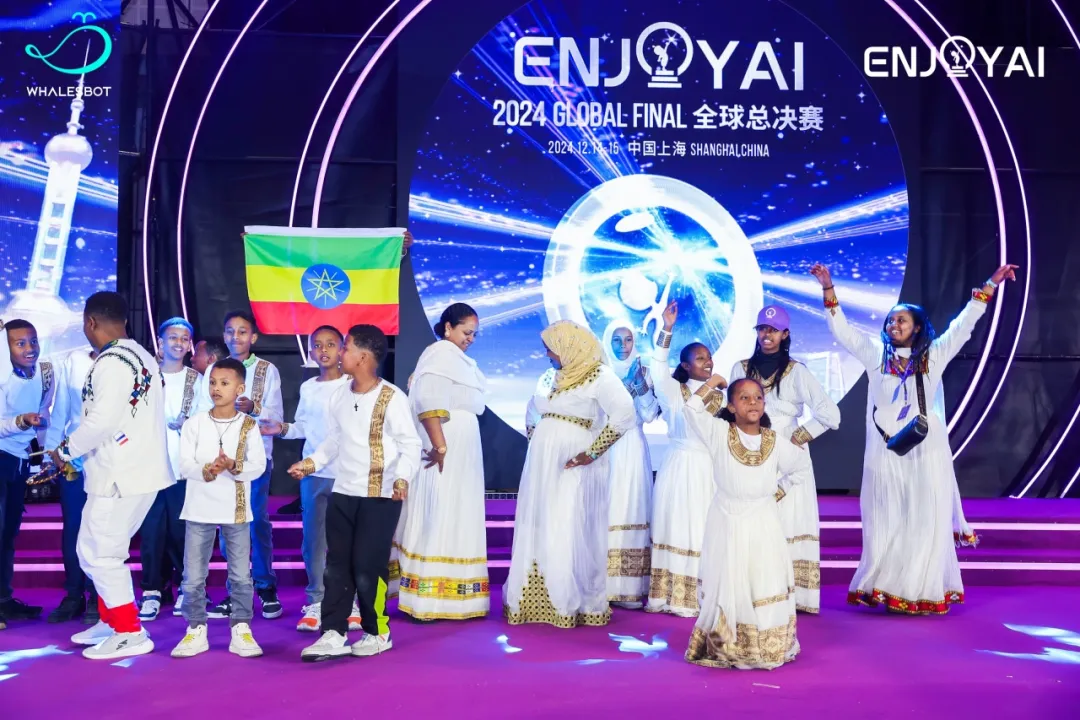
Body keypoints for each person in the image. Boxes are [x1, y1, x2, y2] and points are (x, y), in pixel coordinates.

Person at [811, 262, 1018, 615]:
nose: (894, 325)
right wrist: (828, 288)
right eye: (890, 320)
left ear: (917, 327)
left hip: (926, 450)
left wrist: (989, 285)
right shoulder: (875, 356)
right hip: (886, 450)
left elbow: (964, 325)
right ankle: (888, 586)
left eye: (902, 320)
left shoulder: (934, 355)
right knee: (887, 519)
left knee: (925, 518)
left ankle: (920, 590)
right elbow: (842, 330)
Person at [48, 291, 174, 659]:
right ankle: (111, 620)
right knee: (98, 550)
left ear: (91, 322)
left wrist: (65, 450)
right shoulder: (142, 355)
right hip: (133, 470)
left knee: (100, 554)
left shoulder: (112, 362)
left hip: (120, 473)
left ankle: (129, 630)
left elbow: (100, 422)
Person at [291, 325, 421, 662]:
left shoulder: (392, 397)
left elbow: (410, 444)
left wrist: (402, 478)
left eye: (345, 347)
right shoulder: (340, 395)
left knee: (368, 566)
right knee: (336, 565)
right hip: (344, 491)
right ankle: (333, 632)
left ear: (363, 357)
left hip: (380, 496)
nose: (340, 353)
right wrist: (310, 463)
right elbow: (334, 440)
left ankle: (377, 632)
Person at [505, 320, 636, 628]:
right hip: (542, 462)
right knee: (539, 520)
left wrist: (593, 452)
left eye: (551, 348)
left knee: (566, 522)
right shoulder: (550, 376)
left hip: (575, 462)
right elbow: (532, 409)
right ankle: (532, 600)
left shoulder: (599, 375)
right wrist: (538, 440)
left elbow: (625, 412)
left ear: (569, 346)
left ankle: (569, 602)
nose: (547, 354)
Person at [682, 377, 811, 670]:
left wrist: (777, 493)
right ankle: (726, 642)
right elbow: (691, 410)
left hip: (763, 520)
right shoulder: (718, 432)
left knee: (763, 578)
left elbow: (801, 467)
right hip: (727, 518)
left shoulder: (774, 441)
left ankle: (764, 645)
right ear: (731, 406)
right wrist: (712, 383)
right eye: (744, 398)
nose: (753, 402)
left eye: (758, 397)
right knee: (727, 579)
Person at [729, 305, 839, 614]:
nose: (767, 335)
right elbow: (731, 412)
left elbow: (831, 414)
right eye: (762, 329)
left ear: (785, 334)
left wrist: (797, 437)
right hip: (750, 449)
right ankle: (752, 592)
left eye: (773, 330)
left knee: (788, 519)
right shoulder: (740, 369)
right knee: (753, 520)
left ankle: (792, 595)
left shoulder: (797, 372)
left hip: (788, 453)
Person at [395, 303, 490, 621]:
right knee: (441, 510)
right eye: (466, 332)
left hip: (463, 447)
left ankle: (456, 597)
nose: (471, 339)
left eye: (475, 334)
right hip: (447, 446)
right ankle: (429, 599)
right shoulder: (439, 355)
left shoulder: (459, 360)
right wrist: (440, 446)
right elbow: (428, 403)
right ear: (448, 328)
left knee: (458, 510)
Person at [259, 326, 357, 632]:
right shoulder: (309, 387)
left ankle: (349, 601)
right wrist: (281, 429)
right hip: (313, 474)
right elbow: (302, 426)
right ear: (311, 351)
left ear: (342, 350)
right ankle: (316, 600)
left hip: (347, 474)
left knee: (347, 541)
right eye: (318, 345)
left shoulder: (353, 385)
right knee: (313, 541)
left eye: (331, 344)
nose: (324, 350)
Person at [171, 358, 266, 658]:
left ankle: (241, 628)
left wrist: (233, 466)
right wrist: (207, 470)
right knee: (193, 576)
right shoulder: (194, 423)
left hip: (235, 510)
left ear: (239, 389)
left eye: (225, 383)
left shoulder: (248, 425)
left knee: (240, 575)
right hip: (198, 508)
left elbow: (258, 466)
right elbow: (184, 464)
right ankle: (195, 628)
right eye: (213, 382)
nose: (216, 388)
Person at [198, 310, 284, 620]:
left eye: (243, 331)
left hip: (254, 458)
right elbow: (202, 410)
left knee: (256, 521)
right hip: (222, 459)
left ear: (254, 337)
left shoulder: (266, 370)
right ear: (224, 336)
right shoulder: (213, 370)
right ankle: (236, 590)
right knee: (229, 524)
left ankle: (265, 586)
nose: (236, 337)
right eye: (231, 331)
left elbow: (275, 416)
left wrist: (253, 407)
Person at [646, 301, 720, 617]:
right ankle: (673, 597)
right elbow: (657, 365)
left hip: (709, 470)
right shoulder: (673, 391)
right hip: (679, 467)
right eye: (700, 358)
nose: (708, 361)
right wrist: (667, 328)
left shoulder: (721, 396)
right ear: (686, 366)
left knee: (704, 530)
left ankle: (704, 595)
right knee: (677, 527)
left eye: (709, 356)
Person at [138, 317, 200, 621]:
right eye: (172, 337)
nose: (178, 343)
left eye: (183, 338)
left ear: (189, 346)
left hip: (181, 470)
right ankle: (151, 590)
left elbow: (206, 419)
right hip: (148, 469)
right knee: (150, 533)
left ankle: (187, 587)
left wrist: (189, 425)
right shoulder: (144, 376)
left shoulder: (196, 380)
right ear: (160, 343)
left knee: (181, 532)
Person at [601, 321, 659, 609]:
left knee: (632, 507)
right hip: (604, 448)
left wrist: (639, 384)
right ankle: (603, 586)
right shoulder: (599, 372)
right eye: (616, 340)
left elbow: (649, 415)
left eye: (627, 340)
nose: (622, 346)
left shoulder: (644, 371)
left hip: (633, 448)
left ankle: (629, 588)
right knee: (607, 509)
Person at [0, 319, 55, 624]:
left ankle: (3, 600)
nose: (29, 348)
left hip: (20, 460)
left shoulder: (46, 373)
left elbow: (44, 414)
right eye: (19, 343)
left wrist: (46, 449)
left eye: (32, 341)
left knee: (8, 534)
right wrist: (20, 421)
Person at [45, 345, 99, 624]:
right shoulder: (73, 361)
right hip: (74, 459)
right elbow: (61, 410)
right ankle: (74, 594)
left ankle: (97, 595)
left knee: (101, 529)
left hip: (108, 459)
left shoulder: (124, 362)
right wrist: (53, 451)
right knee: (74, 527)